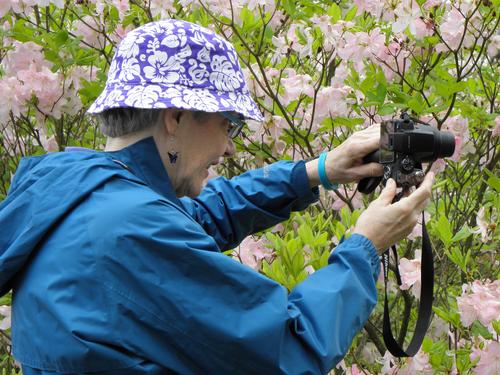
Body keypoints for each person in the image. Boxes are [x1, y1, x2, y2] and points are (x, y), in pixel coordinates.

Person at [0, 19, 434, 374]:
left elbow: (194, 219)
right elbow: (285, 349)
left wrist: (316, 172)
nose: (229, 147)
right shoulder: (132, 230)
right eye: (228, 124)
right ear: (175, 117)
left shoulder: (72, 187)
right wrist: (364, 249)